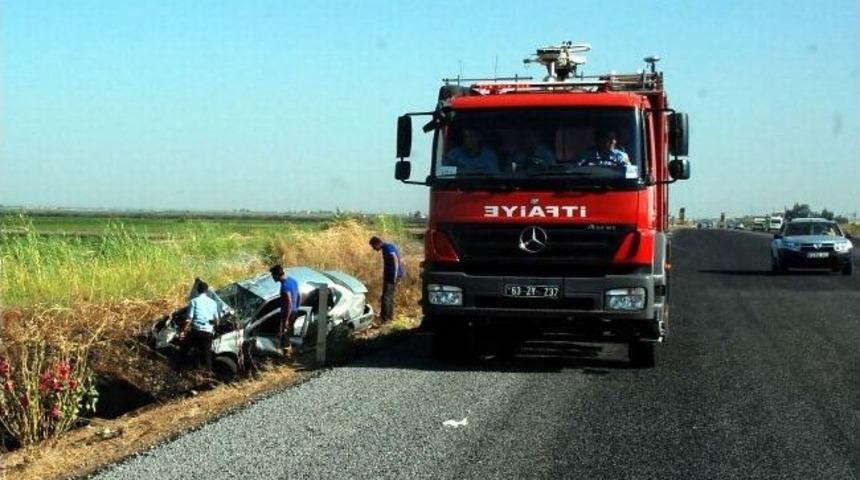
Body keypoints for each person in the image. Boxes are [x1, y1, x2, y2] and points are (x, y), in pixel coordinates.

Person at [179, 281, 219, 371]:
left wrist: (183, 332)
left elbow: (189, 318)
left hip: (196, 331)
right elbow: (217, 320)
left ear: (197, 290)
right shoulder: (213, 303)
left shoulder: (194, 301)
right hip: (208, 333)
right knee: (207, 356)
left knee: (184, 349)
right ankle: (209, 376)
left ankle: (179, 369)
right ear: (206, 291)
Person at [369, 236, 405, 322]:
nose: (374, 249)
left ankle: (384, 319)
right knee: (390, 296)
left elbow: (394, 258)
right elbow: (400, 258)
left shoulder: (386, 248)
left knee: (385, 297)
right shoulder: (389, 245)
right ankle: (389, 317)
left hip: (392, 275)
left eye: (373, 246)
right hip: (393, 274)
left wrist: (395, 274)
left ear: (377, 243)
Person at [270, 264, 300, 355]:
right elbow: (299, 296)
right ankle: (289, 352)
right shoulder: (293, 281)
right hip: (294, 312)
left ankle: (287, 358)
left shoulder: (285, 287)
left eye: (272, 276)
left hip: (288, 314)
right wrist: (297, 307)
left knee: (284, 336)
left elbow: (289, 304)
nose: (272, 278)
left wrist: (286, 320)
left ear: (276, 275)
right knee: (287, 335)